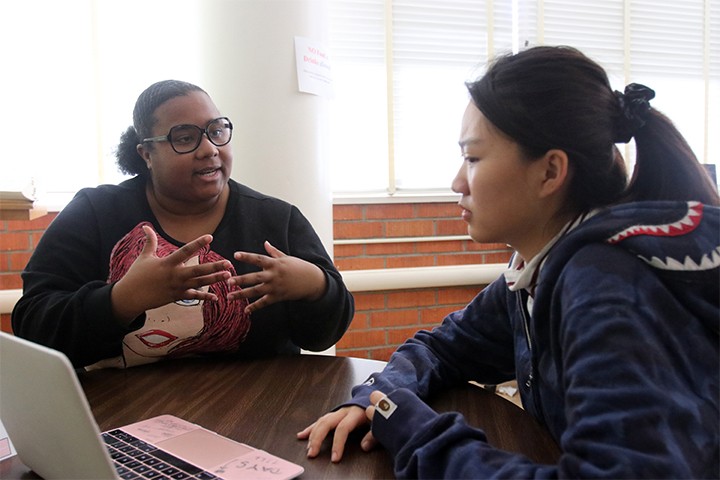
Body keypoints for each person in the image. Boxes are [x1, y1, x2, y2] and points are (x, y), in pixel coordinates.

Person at [298, 45, 720, 478]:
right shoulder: (542, 270)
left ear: (550, 172)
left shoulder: (605, 284)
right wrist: (380, 396)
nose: (456, 182)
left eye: (474, 157)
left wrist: (416, 432)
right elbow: (443, 346)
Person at [12, 80, 354, 369]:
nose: (209, 149)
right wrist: (121, 300)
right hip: (122, 419)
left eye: (216, 131)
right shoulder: (94, 213)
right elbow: (32, 327)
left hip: (257, 414)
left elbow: (323, 336)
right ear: (146, 153)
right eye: (185, 137)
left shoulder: (276, 219)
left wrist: (315, 285)